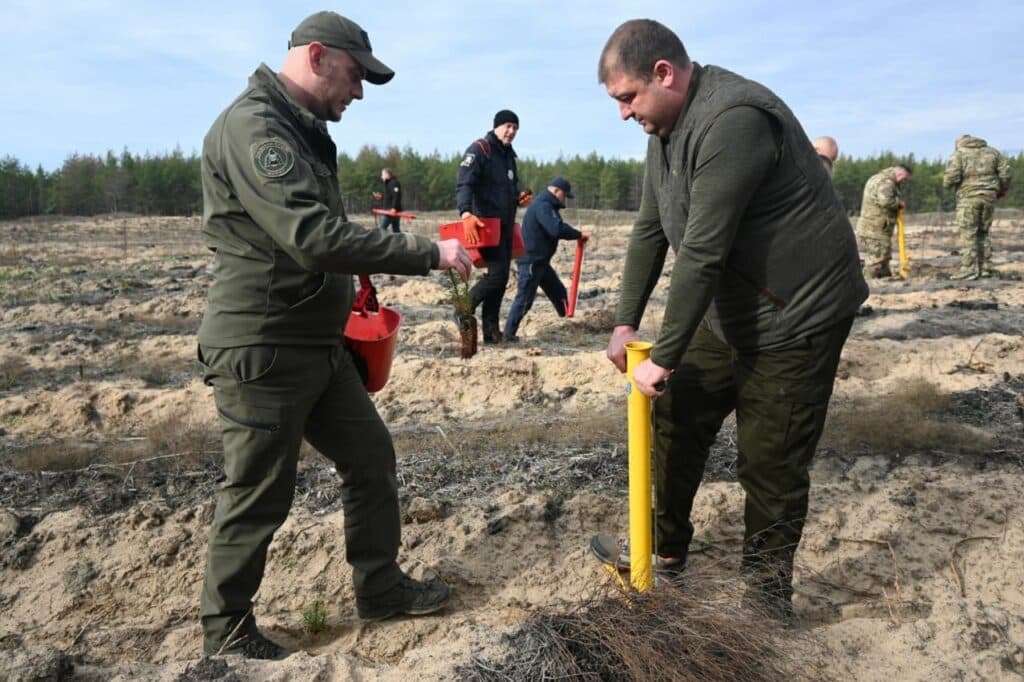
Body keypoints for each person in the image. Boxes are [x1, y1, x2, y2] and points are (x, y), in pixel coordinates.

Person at [196, 10, 472, 659]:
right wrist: (425, 253)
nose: (359, 92)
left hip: (318, 346)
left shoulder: (302, 130)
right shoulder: (256, 128)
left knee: (370, 455)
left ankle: (380, 586)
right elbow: (314, 238)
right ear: (317, 57)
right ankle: (227, 636)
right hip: (265, 347)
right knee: (258, 492)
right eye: (355, 75)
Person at [597, 19, 867, 619]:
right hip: (732, 306)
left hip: (798, 313)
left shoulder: (734, 119)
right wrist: (624, 322)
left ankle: (766, 604)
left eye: (628, 97)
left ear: (664, 73)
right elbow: (650, 228)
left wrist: (664, 355)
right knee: (677, 412)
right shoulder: (664, 131)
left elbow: (702, 250)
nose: (623, 113)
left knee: (770, 459)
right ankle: (665, 553)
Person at [456, 109, 533, 343]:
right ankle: (462, 308)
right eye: (508, 126)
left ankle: (491, 332)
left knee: (499, 279)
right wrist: (466, 213)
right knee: (498, 277)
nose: (511, 131)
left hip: (505, 226)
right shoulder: (480, 149)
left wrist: (519, 197)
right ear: (496, 126)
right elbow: (464, 183)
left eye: (515, 128)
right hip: (486, 225)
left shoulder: (508, 157)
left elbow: (506, 190)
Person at [503, 176, 589, 342]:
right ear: (556, 191)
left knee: (558, 292)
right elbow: (555, 228)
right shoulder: (543, 206)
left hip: (540, 261)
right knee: (525, 298)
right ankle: (508, 335)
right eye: (564, 195)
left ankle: (568, 322)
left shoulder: (546, 205)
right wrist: (578, 234)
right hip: (531, 261)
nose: (565, 200)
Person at [942, 134, 1012, 279]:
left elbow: (950, 179)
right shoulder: (994, 152)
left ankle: (968, 270)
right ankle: (985, 268)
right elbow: (1006, 174)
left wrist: (950, 185)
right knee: (983, 233)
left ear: (959, 143)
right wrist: (1001, 190)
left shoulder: (959, 154)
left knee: (969, 233)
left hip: (968, 198)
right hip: (989, 197)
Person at [856, 164, 913, 279]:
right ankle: (868, 281)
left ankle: (885, 278)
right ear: (900, 173)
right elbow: (886, 201)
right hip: (875, 228)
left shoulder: (876, 178)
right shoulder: (886, 182)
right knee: (877, 259)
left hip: (872, 226)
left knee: (884, 256)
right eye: (905, 178)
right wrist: (899, 204)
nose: (904, 182)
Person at [376, 167, 403, 233]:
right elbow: (389, 197)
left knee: (382, 229)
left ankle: (385, 239)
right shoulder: (388, 183)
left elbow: (396, 196)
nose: (381, 177)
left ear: (387, 174)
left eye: (382, 175)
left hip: (392, 211)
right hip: (391, 211)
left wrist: (393, 208)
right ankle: (398, 239)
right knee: (396, 230)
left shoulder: (393, 183)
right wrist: (381, 197)